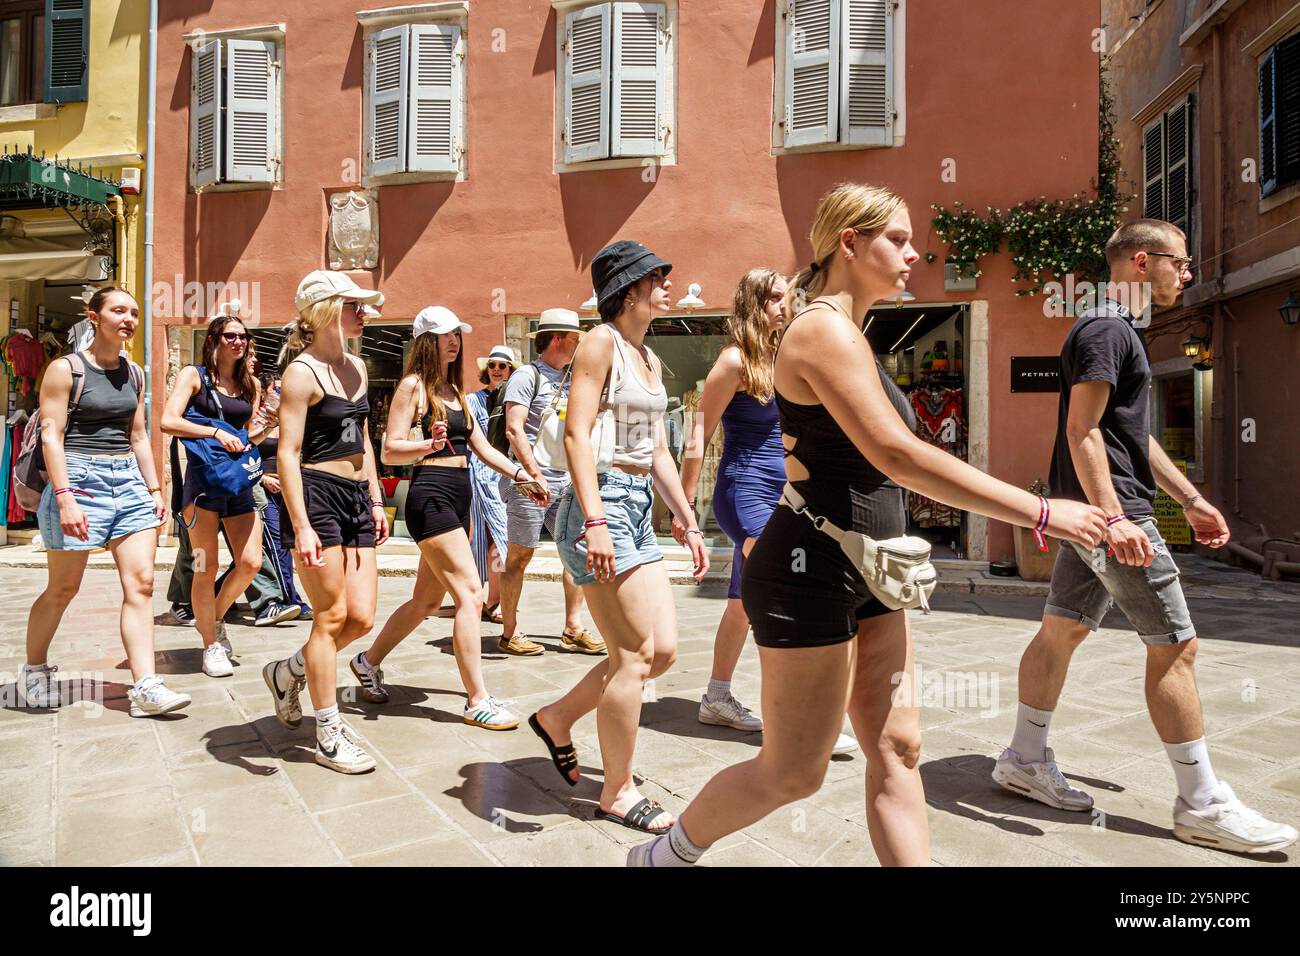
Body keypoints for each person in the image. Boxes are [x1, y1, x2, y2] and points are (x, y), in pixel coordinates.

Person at [627, 183, 1108, 866]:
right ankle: (663, 857)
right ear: (849, 243)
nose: (916, 252)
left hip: (877, 567)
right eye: (899, 239)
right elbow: (895, 454)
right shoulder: (820, 328)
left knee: (899, 747)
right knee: (794, 772)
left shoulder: (849, 332)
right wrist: (1039, 510)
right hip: (810, 569)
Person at [992, 218, 1298, 854]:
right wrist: (1116, 518)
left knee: (1061, 630)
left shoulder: (1118, 331)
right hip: (1109, 515)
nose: (1186, 275)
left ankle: (1023, 756)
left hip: (1092, 511)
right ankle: (1202, 803)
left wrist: (1190, 500)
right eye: (1179, 263)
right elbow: (1084, 430)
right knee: (1177, 647)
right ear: (1141, 261)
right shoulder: (1106, 329)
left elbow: (1130, 435)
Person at [529, 240, 709, 834]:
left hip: (635, 505)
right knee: (632, 656)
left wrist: (684, 516)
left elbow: (655, 449)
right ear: (630, 288)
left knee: (661, 652)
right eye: (659, 276)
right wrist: (597, 520)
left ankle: (558, 717)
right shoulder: (600, 343)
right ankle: (618, 790)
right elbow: (578, 436)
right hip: (599, 504)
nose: (668, 283)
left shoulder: (648, 358)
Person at [674, 268, 857, 756]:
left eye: (787, 297)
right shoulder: (733, 362)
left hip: (785, 492)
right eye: (775, 298)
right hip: (746, 491)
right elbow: (698, 435)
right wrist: (685, 507)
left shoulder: (781, 357)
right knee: (787, 597)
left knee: (741, 601)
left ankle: (716, 697)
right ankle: (798, 723)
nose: (784, 305)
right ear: (754, 303)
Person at [351, 309, 549, 730]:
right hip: (431, 495)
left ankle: (367, 662)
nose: (454, 341)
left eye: (457, 334)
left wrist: (521, 474)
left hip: (461, 496)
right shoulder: (412, 388)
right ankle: (477, 699)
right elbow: (389, 450)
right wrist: (425, 444)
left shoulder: (456, 392)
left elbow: (481, 446)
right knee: (471, 595)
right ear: (427, 340)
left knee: (425, 602)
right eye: (445, 335)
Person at [21, 286, 191, 717]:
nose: (129, 318)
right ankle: (34, 670)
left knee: (142, 584)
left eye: (134, 312)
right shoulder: (66, 369)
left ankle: (145, 687)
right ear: (94, 317)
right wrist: (65, 498)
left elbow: (137, 436)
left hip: (127, 480)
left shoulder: (134, 373)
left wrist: (155, 491)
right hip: (78, 477)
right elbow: (51, 436)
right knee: (63, 588)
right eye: (119, 310)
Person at [261, 271, 387, 774]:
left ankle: (287, 671)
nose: (366, 313)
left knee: (361, 618)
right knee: (330, 616)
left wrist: (376, 498)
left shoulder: (356, 364)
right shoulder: (301, 373)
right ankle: (328, 733)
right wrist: (302, 525)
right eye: (356, 305)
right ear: (326, 310)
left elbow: (364, 441)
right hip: (316, 495)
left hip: (358, 496)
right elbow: (286, 455)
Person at [161, 311, 274, 677]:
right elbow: (168, 421)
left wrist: (265, 427)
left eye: (243, 336)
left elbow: (248, 438)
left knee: (251, 563)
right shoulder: (194, 376)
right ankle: (210, 644)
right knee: (204, 567)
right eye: (230, 336)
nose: (238, 342)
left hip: (238, 481)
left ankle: (215, 617)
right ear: (213, 340)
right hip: (202, 484)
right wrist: (212, 433)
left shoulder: (250, 385)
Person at [496, 309, 605, 656]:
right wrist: (534, 474)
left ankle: (573, 629)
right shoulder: (526, 376)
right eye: (576, 339)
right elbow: (515, 429)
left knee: (576, 553)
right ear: (557, 338)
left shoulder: (574, 378)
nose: (580, 345)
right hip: (529, 480)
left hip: (565, 478)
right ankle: (509, 632)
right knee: (520, 556)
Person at [466, 344, 515, 620]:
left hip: (504, 475)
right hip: (478, 474)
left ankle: (494, 598)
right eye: (493, 365)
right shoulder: (473, 400)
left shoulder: (515, 399)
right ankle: (483, 598)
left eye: (503, 366)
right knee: (481, 540)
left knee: (501, 538)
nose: (497, 370)